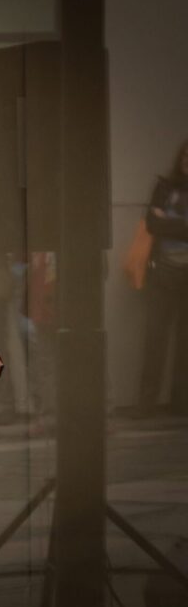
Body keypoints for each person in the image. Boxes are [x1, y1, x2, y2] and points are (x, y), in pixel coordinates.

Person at [130, 137, 188, 417]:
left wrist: (169, 222)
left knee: (184, 343)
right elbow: (153, 224)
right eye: (185, 155)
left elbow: (163, 223)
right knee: (155, 339)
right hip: (162, 272)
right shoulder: (165, 186)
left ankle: (180, 402)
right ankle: (147, 402)